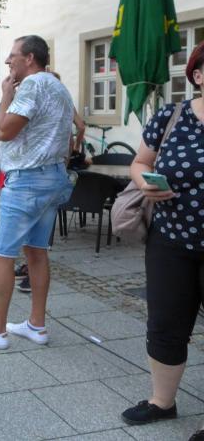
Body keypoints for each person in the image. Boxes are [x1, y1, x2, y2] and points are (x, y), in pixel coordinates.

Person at [0, 35, 74, 349]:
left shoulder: (32, 85)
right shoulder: (58, 86)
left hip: (27, 180)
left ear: (30, 58)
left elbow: (6, 130)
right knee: (36, 251)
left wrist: (6, 96)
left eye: (13, 55)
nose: (8, 61)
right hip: (51, 176)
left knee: (0, 254)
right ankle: (36, 325)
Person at [119, 42, 204, 440]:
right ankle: (163, 402)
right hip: (171, 240)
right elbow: (140, 162)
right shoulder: (171, 116)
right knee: (166, 324)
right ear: (198, 75)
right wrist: (145, 184)